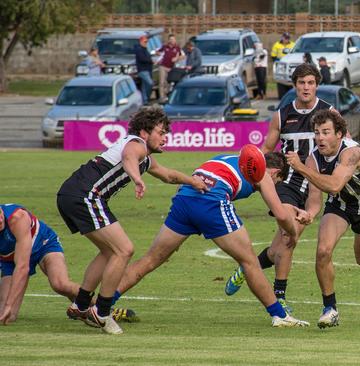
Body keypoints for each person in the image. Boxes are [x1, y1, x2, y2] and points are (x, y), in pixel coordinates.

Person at [111, 152, 310, 327]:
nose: (273, 187)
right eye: (277, 183)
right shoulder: (263, 174)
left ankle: (101, 306)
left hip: (184, 199)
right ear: (274, 172)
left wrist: (295, 210)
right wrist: (292, 234)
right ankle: (280, 316)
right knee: (249, 262)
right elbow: (281, 215)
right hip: (211, 202)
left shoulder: (228, 158)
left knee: (150, 260)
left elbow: (283, 208)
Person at [56, 107, 207, 335]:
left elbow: (168, 175)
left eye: (166, 132)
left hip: (73, 194)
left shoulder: (146, 158)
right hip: (85, 195)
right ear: (144, 133)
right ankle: (102, 312)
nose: (165, 137)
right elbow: (128, 158)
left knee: (110, 252)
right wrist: (136, 179)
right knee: (124, 250)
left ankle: (81, 303)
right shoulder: (137, 144)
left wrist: (193, 182)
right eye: (161, 132)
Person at [224, 63, 333, 313]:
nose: (306, 87)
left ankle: (248, 265)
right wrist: (244, 166)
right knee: (288, 236)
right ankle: (279, 296)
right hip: (287, 182)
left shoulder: (328, 112)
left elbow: (341, 143)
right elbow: (265, 149)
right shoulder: (282, 115)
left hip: (315, 183)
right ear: (294, 85)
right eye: (301, 83)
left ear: (317, 85)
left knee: (279, 248)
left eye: (310, 83)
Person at [285, 109, 360, 328]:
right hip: (339, 204)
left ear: (339, 134)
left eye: (326, 132)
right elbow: (315, 198)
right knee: (323, 251)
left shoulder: (351, 153)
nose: (320, 137)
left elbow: (334, 184)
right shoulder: (313, 158)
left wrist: (300, 168)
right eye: (317, 132)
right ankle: (330, 308)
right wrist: (309, 214)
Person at [0, 204, 136, 325]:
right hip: (11, 259)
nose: (0, 219)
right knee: (7, 316)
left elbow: (23, 267)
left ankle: (104, 310)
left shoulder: (17, 218)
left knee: (60, 284)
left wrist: (9, 304)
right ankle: (84, 310)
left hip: (44, 245)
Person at [156, 34, 184, 103]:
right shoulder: (165, 46)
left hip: (171, 68)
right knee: (162, 82)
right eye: (171, 39)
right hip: (163, 66)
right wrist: (159, 54)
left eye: (173, 39)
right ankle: (161, 98)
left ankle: (167, 96)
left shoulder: (177, 48)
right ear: (168, 40)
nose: (172, 41)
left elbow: (183, 56)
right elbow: (157, 52)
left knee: (169, 82)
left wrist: (177, 58)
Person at [135, 35, 154, 104]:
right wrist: (151, 61)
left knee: (144, 85)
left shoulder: (145, 49)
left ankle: (144, 100)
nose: (146, 43)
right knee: (150, 83)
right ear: (141, 42)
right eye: (145, 42)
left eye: (146, 42)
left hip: (148, 69)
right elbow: (142, 58)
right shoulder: (139, 49)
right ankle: (146, 98)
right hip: (143, 70)